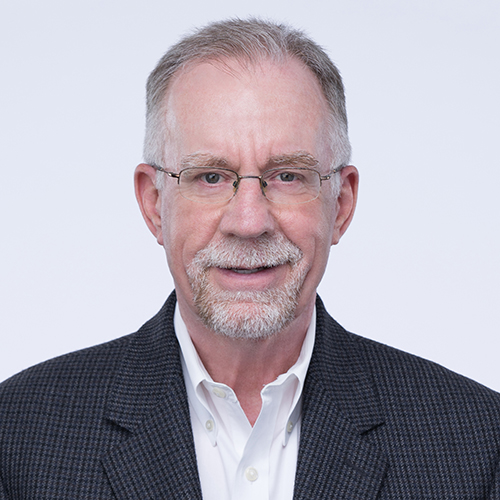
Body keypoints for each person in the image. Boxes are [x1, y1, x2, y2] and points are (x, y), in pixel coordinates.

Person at [1, 18, 499, 500]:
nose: (249, 221)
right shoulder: (16, 436)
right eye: (210, 177)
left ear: (342, 204)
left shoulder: (477, 443)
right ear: (154, 204)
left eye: (287, 176)